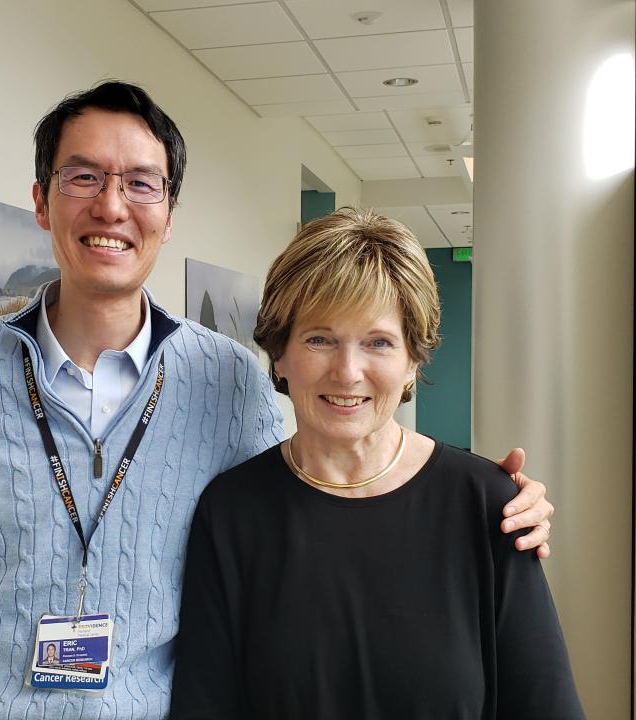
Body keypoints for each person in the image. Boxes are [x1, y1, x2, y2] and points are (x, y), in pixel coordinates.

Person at [0, 82, 554, 720]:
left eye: (141, 184)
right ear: (41, 199)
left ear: (170, 212)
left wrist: (487, 503)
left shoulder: (230, 382)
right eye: (83, 176)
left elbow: (301, 518)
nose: (111, 206)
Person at [170, 208, 583, 719]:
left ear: (413, 359)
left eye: (378, 343)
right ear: (279, 354)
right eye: (319, 339)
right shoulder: (232, 512)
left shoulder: (489, 505)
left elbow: (545, 706)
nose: (347, 372)